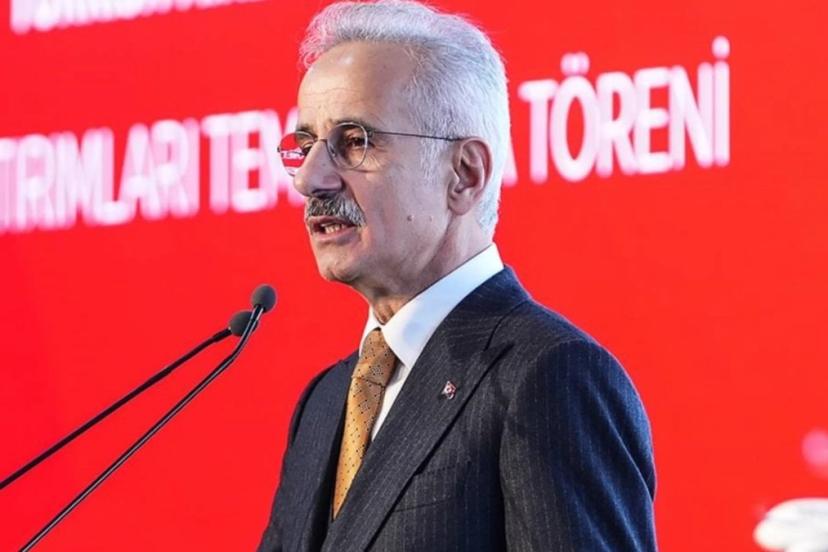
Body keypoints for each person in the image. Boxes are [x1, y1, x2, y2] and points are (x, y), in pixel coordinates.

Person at [257, 1, 657, 550]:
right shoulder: (326, 401)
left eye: (353, 142)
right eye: (304, 147)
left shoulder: (548, 377)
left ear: (465, 174)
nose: (309, 179)